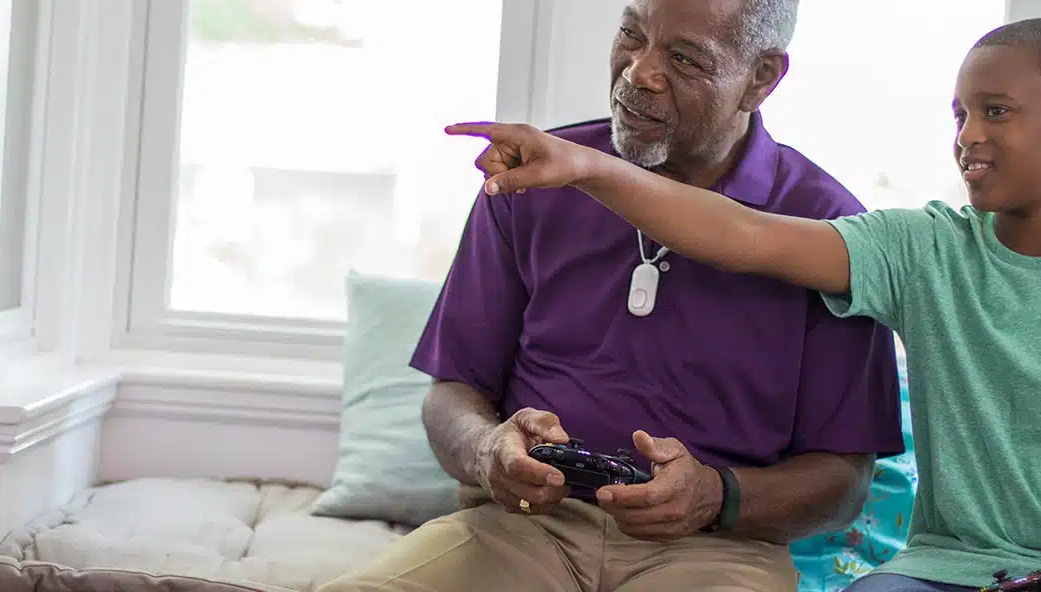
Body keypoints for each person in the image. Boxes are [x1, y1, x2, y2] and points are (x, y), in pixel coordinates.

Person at [436, 17, 1041, 592]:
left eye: (996, 112)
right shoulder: (922, 250)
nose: (966, 135)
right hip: (941, 571)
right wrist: (587, 168)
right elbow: (744, 235)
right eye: (959, 114)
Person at [317, 1, 906, 591]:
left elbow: (843, 485)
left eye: (682, 57)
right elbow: (452, 394)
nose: (637, 72)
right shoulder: (535, 178)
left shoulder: (827, 230)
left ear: (761, 78)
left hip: (718, 551)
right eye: (631, 32)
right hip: (522, 528)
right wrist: (485, 450)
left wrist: (714, 496)